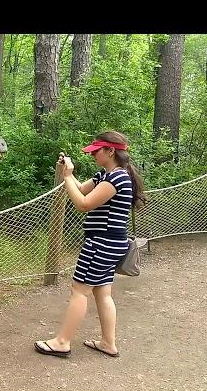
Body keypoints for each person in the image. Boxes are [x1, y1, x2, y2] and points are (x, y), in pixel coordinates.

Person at [34, 131, 146, 358]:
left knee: (79, 290)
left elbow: (84, 203)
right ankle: (108, 343)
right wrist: (69, 173)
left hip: (101, 243)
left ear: (111, 151)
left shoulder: (116, 178)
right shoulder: (106, 175)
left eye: (97, 151)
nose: (93, 154)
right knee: (102, 292)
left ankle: (62, 342)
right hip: (111, 243)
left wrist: (66, 179)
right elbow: (82, 188)